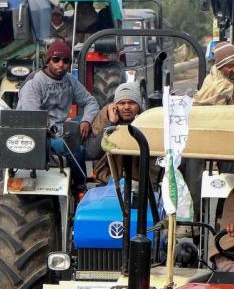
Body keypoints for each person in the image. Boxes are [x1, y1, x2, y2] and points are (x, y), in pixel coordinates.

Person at [15, 40, 100, 188]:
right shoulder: (34, 83)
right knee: (72, 146)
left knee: (98, 124)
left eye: (66, 61)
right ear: (48, 61)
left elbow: (91, 102)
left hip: (61, 128)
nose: (61, 64)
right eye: (56, 60)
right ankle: (80, 186)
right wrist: (61, 133)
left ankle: (102, 174)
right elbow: (32, 118)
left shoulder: (69, 80)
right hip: (40, 134)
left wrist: (86, 121)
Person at [86, 82, 144, 183]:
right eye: (122, 103)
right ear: (115, 105)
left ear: (139, 105)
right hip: (108, 179)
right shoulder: (105, 117)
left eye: (131, 103)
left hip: (140, 180)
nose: (126, 107)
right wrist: (111, 123)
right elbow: (92, 152)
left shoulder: (146, 120)